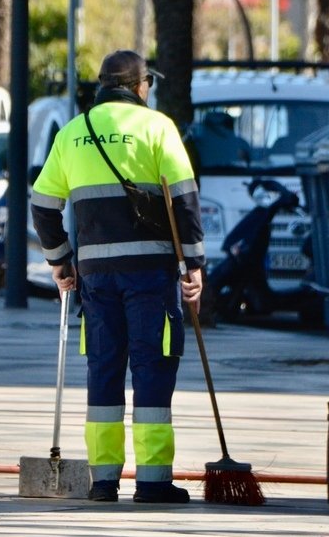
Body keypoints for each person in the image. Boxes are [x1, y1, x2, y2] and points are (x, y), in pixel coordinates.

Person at [31, 50, 204, 504]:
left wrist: (60, 261)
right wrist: (195, 264)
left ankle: (103, 480)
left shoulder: (74, 133)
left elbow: (44, 204)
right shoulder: (156, 127)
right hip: (149, 272)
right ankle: (152, 481)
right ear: (139, 85)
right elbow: (184, 200)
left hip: (96, 277)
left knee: (103, 370)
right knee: (151, 366)